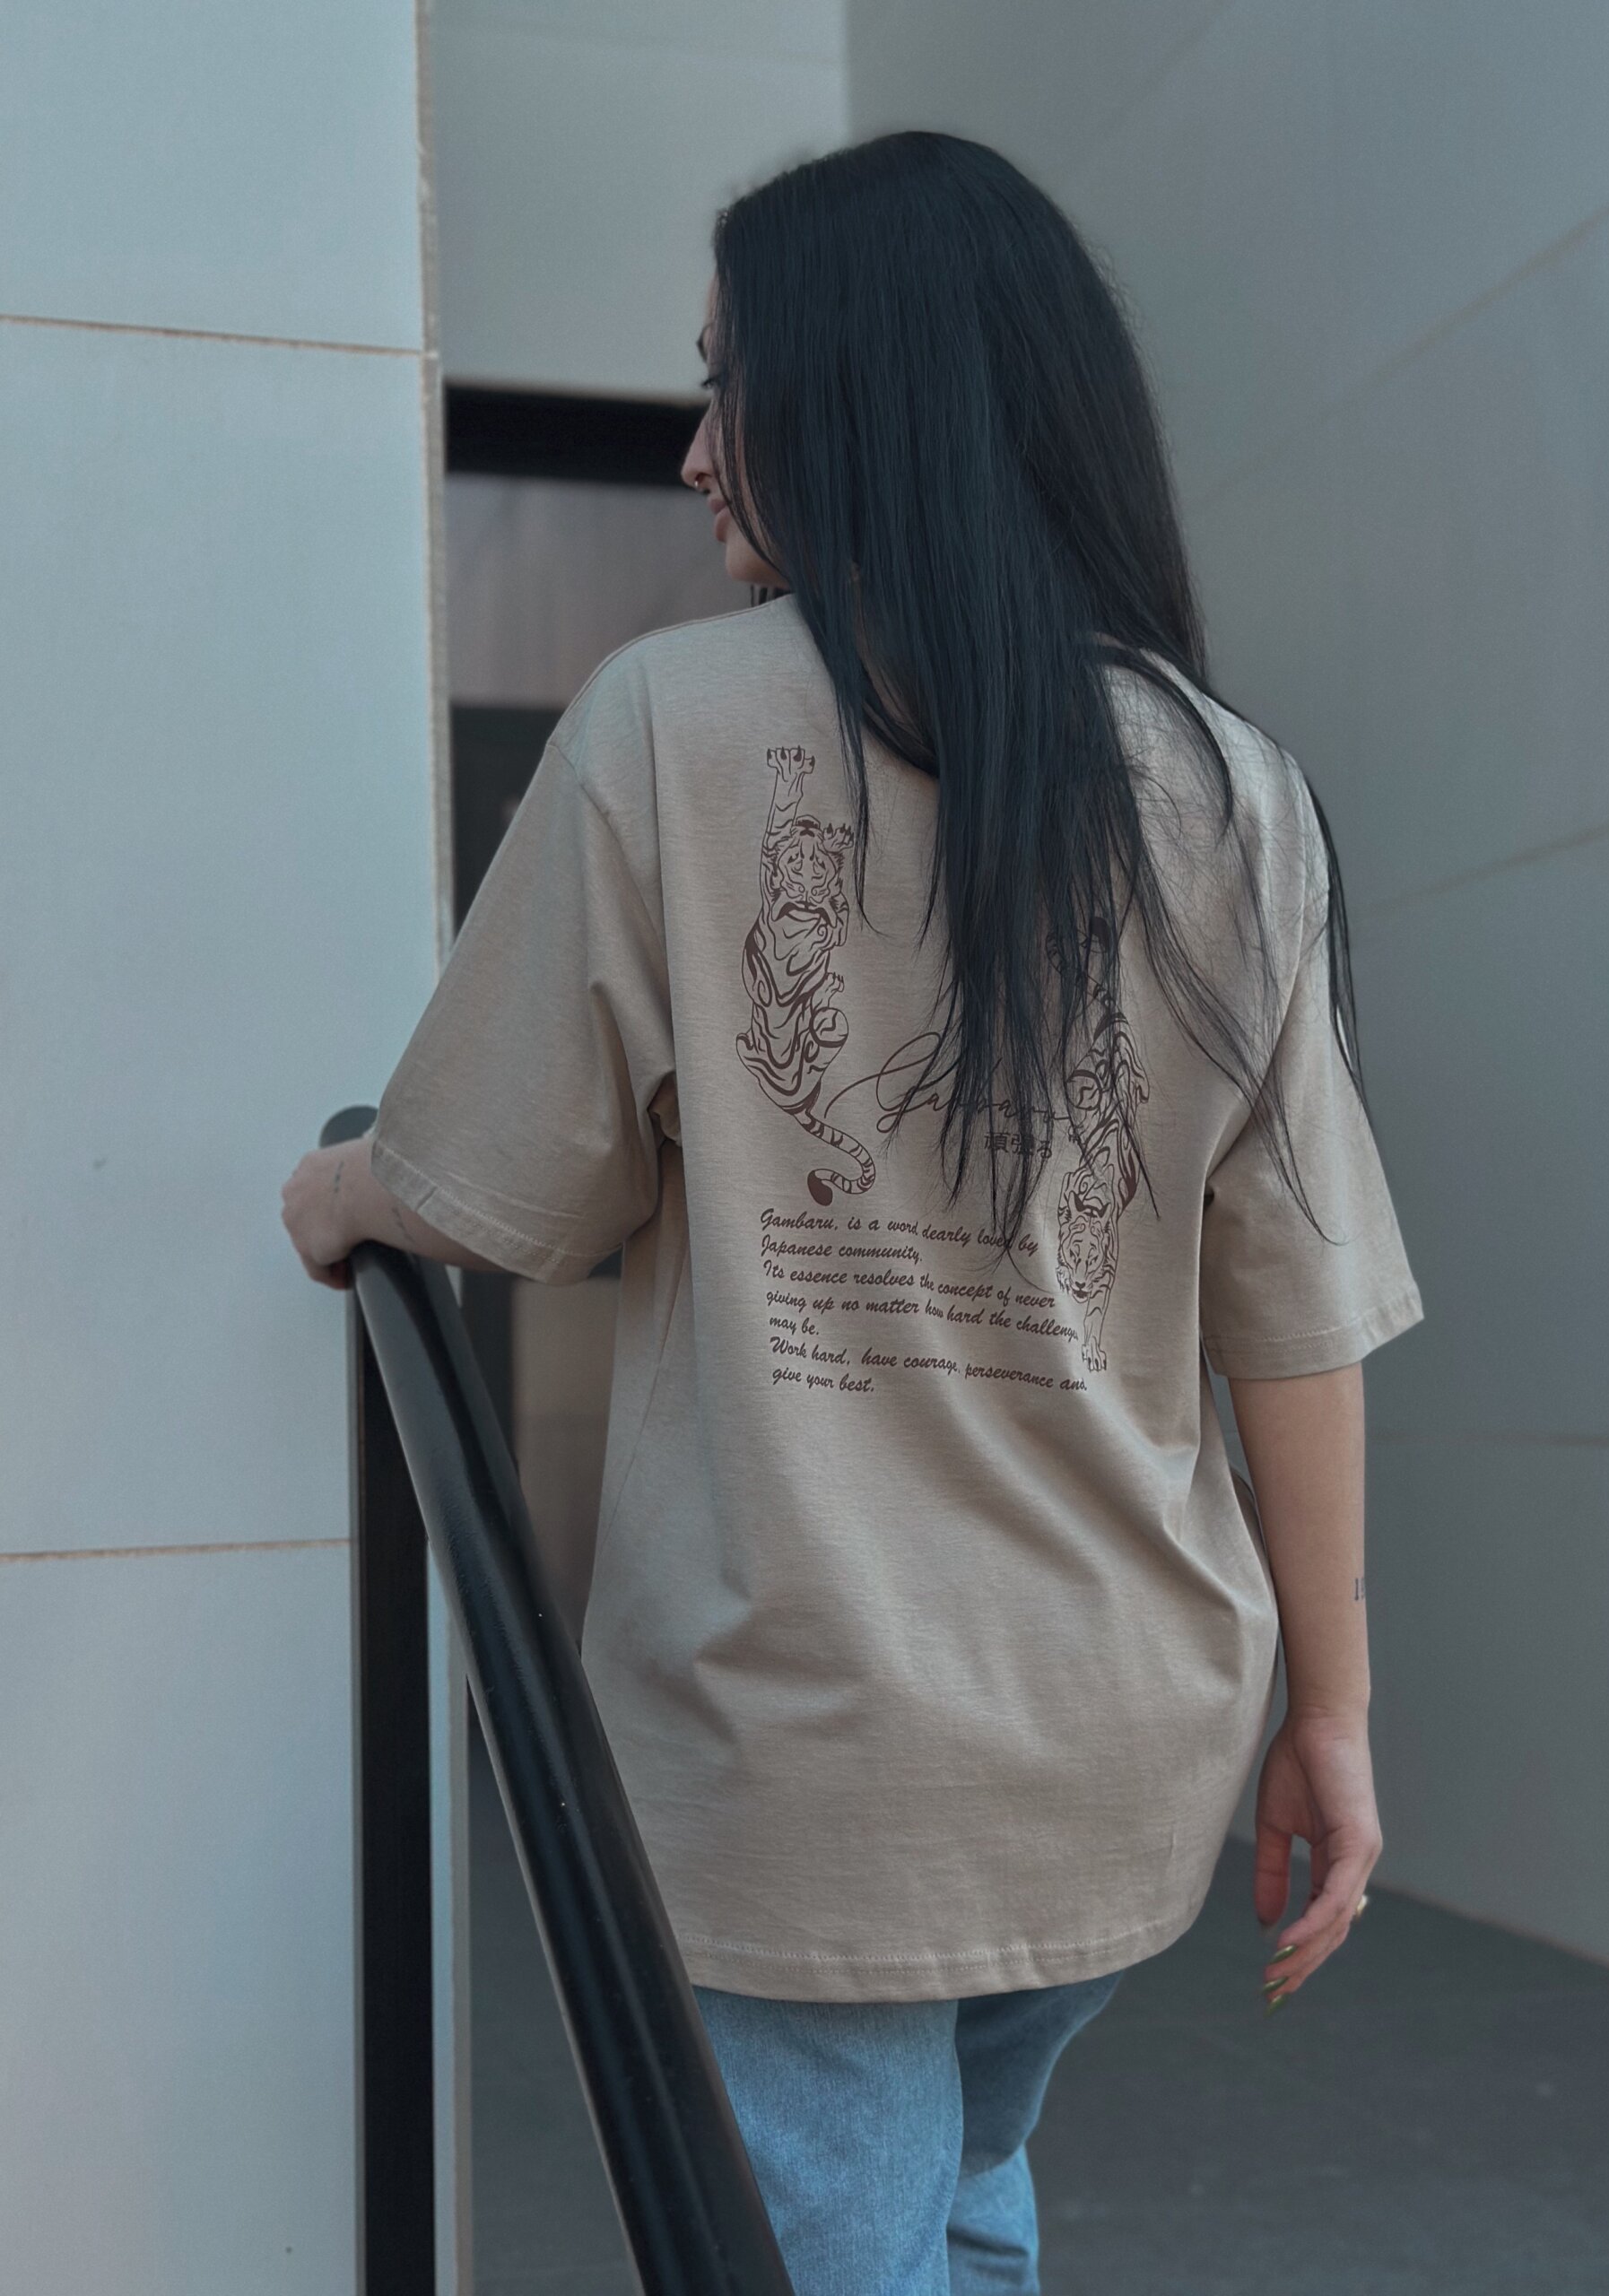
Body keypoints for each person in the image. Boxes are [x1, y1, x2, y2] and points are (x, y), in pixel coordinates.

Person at [283, 132, 1422, 2296]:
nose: (698, 451)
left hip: (812, 1753)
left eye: (729, 384)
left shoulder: (670, 724)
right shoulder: (1229, 785)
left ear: (859, 392)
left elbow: (488, 1188)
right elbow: (1296, 1311)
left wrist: (340, 1185)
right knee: (965, 2189)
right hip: (1121, 1732)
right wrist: (1338, 1716)